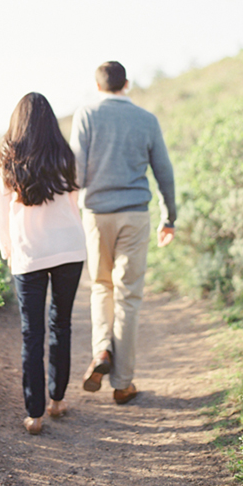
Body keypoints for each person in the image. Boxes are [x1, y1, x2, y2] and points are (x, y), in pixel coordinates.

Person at [69, 61, 177, 405]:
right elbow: (164, 172)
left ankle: (102, 350)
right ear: (126, 84)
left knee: (101, 287)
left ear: (98, 86)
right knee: (129, 296)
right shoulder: (147, 120)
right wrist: (169, 217)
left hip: (97, 215)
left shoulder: (85, 115)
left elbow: (76, 173)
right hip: (134, 214)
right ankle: (123, 383)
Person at [0, 93, 88, 435]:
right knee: (61, 324)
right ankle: (58, 400)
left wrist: (8, 250)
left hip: (28, 253)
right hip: (69, 249)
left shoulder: (7, 156)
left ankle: (34, 414)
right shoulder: (66, 155)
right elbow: (77, 200)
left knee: (32, 333)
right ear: (51, 121)